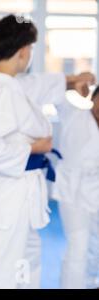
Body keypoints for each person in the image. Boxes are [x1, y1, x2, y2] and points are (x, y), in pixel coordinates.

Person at [0, 14, 95, 289]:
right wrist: (34, 147)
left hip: (20, 190)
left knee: (26, 259)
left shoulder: (8, 83)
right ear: (24, 51)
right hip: (13, 193)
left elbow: (38, 84)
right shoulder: (5, 92)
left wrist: (73, 80)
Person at [53, 85, 99, 288]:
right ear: (93, 99)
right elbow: (52, 92)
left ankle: (90, 282)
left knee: (96, 247)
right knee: (78, 245)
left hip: (96, 189)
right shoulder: (73, 114)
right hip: (72, 191)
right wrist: (72, 84)